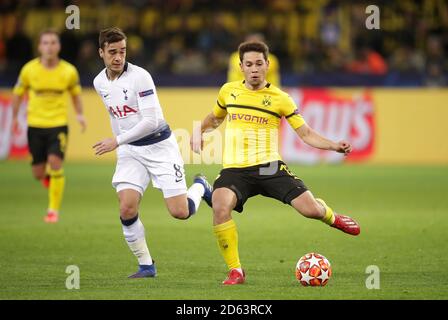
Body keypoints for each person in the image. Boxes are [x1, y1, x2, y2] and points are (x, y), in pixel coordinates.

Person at [191, 41, 360, 285]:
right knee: (220, 206)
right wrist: (200, 131)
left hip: (269, 167)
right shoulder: (228, 91)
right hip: (236, 170)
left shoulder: (281, 99)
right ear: (241, 67)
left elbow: (306, 134)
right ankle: (236, 270)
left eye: (259, 64)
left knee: (310, 210)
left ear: (268, 65)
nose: (254, 69)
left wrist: (334, 145)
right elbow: (215, 118)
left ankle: (332, 216)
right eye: (248, 64)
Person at [92, 27, 212, 278]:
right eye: (112, 52)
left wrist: (116, 141)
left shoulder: (141, 77)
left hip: (159, 146)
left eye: (122, 51)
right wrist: (122, 144)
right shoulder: (99, 82)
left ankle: (200, 186)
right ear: (101, 52)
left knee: (180, 212)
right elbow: (116, 118)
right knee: (126, 207)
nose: (118, 57)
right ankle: (146, 265)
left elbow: (151, 121)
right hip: (130, 151)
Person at [11, 29, 86, 223]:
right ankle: (50, 181)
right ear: (39, 46)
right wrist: (14, 119)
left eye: (53, 43)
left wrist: (79, 115)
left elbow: (76, 95)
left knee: (55, 163)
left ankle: (53, 210)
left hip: (58, 124)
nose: (49, 47)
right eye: (45, 43)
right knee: (38, 172)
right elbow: (18, 94)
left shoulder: (69, 71)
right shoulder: (29, 70)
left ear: (59, 46)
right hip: (35, 125)